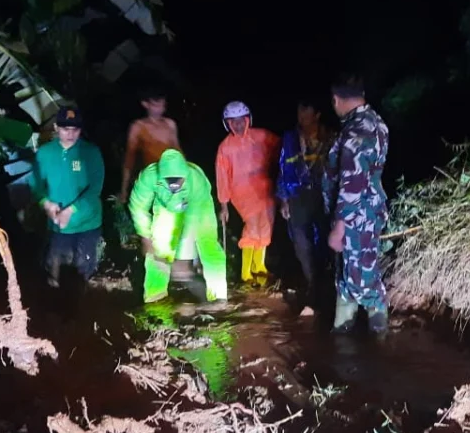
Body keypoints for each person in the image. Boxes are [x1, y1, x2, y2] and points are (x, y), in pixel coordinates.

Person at [323, 75, 390, 334]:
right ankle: (343, 332)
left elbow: (353, 182)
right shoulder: (373, 122)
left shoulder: (357, 131)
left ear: (336, 100)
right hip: (363, 214)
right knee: (348, 277)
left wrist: (339, 227)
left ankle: (379, 339)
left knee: (363, 281)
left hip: (356, 218)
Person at [128, 149, 228, 303]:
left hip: (198, 206)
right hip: (165, 206)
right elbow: (138, 206)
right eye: (170, 181)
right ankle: (155, 296)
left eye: (178, 181)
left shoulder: (196, 180)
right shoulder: (149, 177)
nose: (174, 185)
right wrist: (145, 236)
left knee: (209, 246)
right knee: (158, 249)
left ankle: (218, 295)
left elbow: (192, 223)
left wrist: (184, 257)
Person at [32, 105, 105, 288]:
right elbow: (35, 184)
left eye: (75, 129)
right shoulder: (45, 153)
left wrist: (72, 209)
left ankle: (81, 309)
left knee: (82, 273)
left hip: (86, 224)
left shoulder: (91, 152)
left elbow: (95, 188)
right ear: (56, 128)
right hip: (58, 227)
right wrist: (46, 203)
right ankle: (55, 310)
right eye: (65, 129)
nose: (70, 134)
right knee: (54, 274)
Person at [215, 101, 281, 284]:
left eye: (241, 120)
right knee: (252, 226)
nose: (238, 124)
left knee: (266, 226)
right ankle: (246, 272)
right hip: (241, 192)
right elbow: (222, 177)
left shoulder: (261, 136)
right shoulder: (225, 147)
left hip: (264, 188)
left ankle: (258, 266)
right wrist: (224, 205)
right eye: (232, 121)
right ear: (227, 124)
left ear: (247, 119)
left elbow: (281, 148)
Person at [277, 99, 333, 297]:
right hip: (297, 196)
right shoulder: (290, 138)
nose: (301, 116)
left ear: (317, 114)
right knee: (301, 242)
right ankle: (312, 284)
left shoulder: (329, 136)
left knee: (326, 240)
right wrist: (283, 199)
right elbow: (283, 169)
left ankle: (327, 282)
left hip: (322, 196)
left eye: (306, 111)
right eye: (299, 112)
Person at [120, 86, 180, 204]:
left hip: (172, 176)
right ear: (145, 104)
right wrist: (124, 190)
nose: (160, 109)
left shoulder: (170, 124)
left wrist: (187, 173)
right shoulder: (138, 127)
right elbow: (129, 159)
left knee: (176, 210)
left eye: (162, 105)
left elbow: (178, 151)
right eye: (156, 105)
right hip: (150, 178)